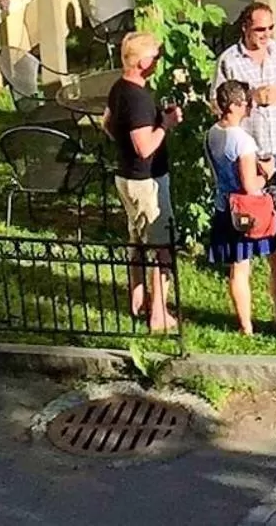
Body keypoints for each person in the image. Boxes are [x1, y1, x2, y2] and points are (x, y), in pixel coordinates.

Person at [211, 3, 276, 253]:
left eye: (270, 28)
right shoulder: (229, 60)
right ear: (245, 27)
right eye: (260, 29)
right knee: (252, 194)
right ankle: (256, 241)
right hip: (251, 143)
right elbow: (216, 102)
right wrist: (251, 98)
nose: (266, 34)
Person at [103, 30, 180, 332]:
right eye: (156, 56)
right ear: (142, 62)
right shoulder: (137, 99)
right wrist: (166, 124)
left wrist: (124, 142)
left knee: (136, 240)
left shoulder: (118, 88)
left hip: (126, 175)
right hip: (146, 180)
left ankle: (138, 301)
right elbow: (145, 147)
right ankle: (159, 314)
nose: (158, 60)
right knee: (161, 246)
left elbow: (107, 124)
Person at [205, 79, 276, 334]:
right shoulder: (242, 141)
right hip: (253, 211)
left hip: (226, 209)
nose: (250, 108)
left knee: (238, 266)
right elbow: (250, 186)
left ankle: (245, 326)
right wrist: (267, 172)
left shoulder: (213, 133)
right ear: (234, 105)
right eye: (247, 103)